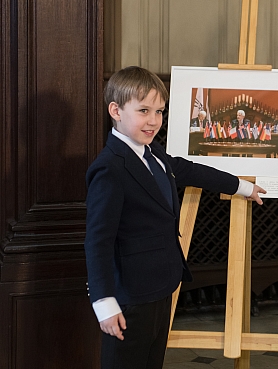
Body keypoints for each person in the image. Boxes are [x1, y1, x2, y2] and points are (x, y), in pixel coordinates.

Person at [84, 66, 266, 369]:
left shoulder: (152, 153)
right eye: (143, 110)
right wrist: (104, 302)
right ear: (115, 110)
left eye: (159, 111)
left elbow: (191, 171)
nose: (153, 120)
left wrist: (241, 186)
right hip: (131, 292)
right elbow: (98, 241)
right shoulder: (110, 168)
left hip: (161, 283)